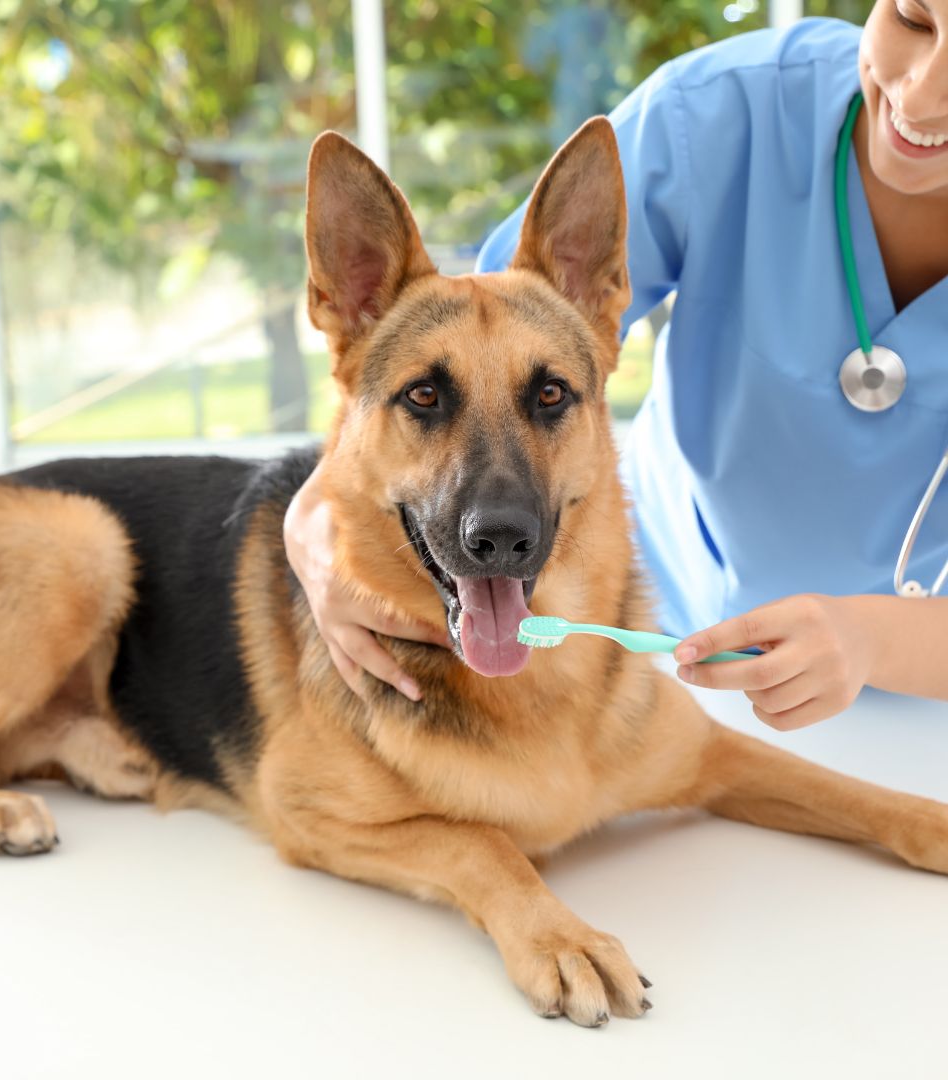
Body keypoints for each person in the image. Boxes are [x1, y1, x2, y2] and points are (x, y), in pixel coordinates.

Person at [284, 4, 948, 730]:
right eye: (914, 17)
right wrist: (315, 526)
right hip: (657, 644)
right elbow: (481, 334)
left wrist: (874, 639)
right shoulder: (720, 115)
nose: (918, 94)